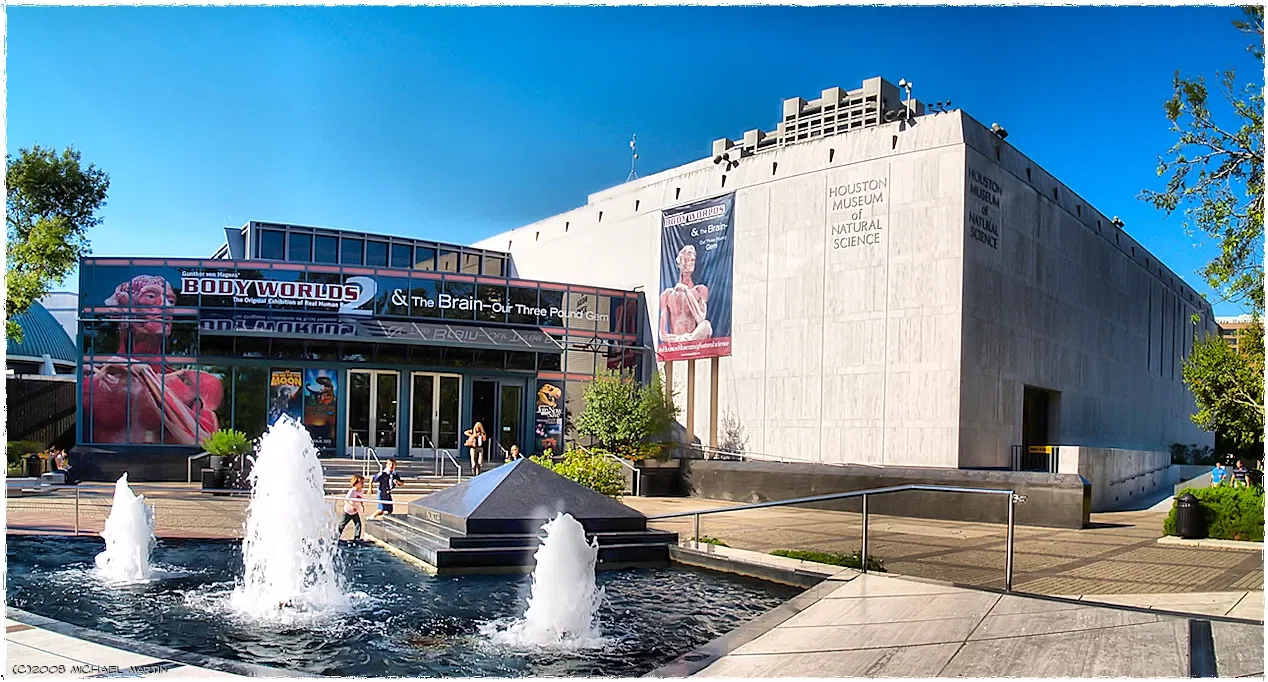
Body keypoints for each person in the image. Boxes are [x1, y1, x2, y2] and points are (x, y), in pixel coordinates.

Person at [659, 244, 713, 344]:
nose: (689, 263)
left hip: (693, 342)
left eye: (692, 260)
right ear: (679, 263)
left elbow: (700, 318)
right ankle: (686, 341)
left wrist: (686, 291)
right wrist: (680, 339)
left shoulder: (700, 290)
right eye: (686, 260)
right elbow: (662, 334)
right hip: (676, 342)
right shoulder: (666, 295)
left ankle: (689, 341)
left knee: (706, 325)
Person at [337, 475, 366, 541]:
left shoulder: (361, 491)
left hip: (355, 511)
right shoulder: (352, 491)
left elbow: (360, 499)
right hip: (348, 511)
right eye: (361, 483)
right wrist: (351, 506)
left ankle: (357, 538)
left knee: (358, 524)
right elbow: (346, 500)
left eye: (363, 483)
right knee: (342, 524)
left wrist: (362, 505)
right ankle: (337, 536)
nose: (363, 484)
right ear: (356, 483)